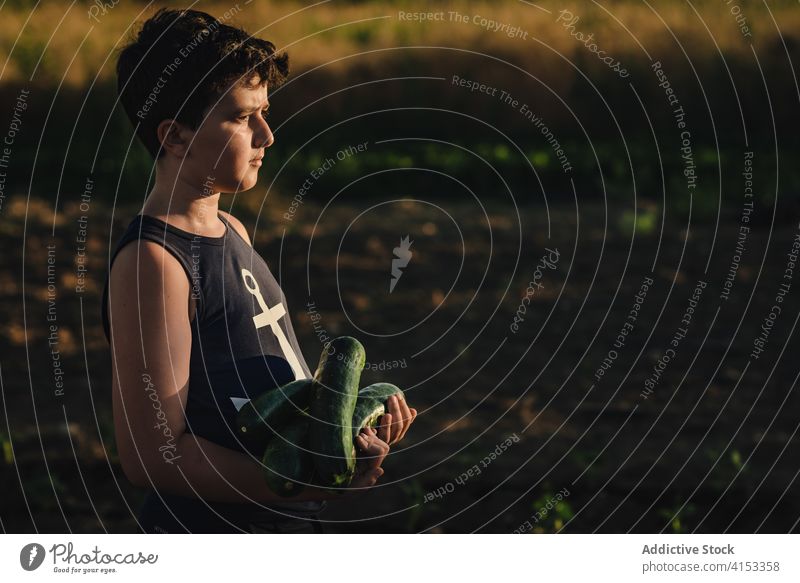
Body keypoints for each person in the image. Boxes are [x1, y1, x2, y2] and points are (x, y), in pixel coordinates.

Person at [103, 7, 417, 533]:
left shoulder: (232, 231)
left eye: (264, 112)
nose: (267, 136)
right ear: (175, 136)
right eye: (243, 117)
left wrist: (343, 434)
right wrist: (308, 485)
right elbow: (155, 457)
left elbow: (276, 393)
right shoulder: (154, 263)